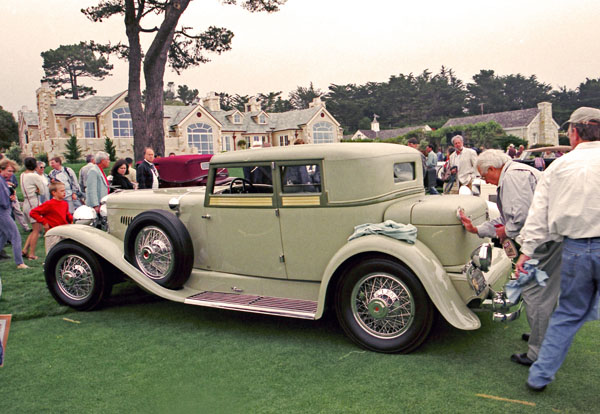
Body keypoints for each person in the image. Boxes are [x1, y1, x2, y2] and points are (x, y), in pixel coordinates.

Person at [515, 107, 600, 392]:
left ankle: (539, 377)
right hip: (578, 246)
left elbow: (539, 216)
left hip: (575, 248)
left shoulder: (558, 167)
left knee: (567, 315)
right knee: (568, 313)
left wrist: (525, 254)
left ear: (574, 132)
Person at [459, 149, 561, 367]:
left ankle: (539, 353)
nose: (484, 179)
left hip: (542, 241)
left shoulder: (514, 177)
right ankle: (545, 336)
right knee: (547, 291)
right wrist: (477, 229)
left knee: (534, 293)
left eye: (484, 175)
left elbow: (519, 219)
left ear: (493, 169)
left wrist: (504, 232)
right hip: (552, 238)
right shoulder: (517, 172)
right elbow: (509, 219)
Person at [30, 182, 73, 252]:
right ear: (54, 193)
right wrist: (44, 222)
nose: (64, 193)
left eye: (64, 190)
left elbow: (66, 214)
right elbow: (33, 212)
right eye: (61, 191)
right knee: (52, 251)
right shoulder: (49, 204)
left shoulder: (65, 203)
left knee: (65, 250)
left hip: (64, 231)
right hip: (53, 233)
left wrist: (72, 219)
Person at [0, 159, 28, 269]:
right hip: (2, 212)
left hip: (5, 210)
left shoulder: (3, 181)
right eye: (9, 171)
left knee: (4, 235)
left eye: (12, 171)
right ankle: (19, 263)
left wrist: (10, 196)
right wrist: (9, 198)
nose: (11, 174)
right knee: (15, 235)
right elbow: (2, 201)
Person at [20, 157, 46, 260]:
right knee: (37, 229)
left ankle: (25, 249)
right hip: (33, 202)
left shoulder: (22, 175)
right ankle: (31, 254)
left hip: (26, 202)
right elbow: (43, 191)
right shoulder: (35, 176)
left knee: (35, 229)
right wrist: (37, 190)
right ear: (35, 165)